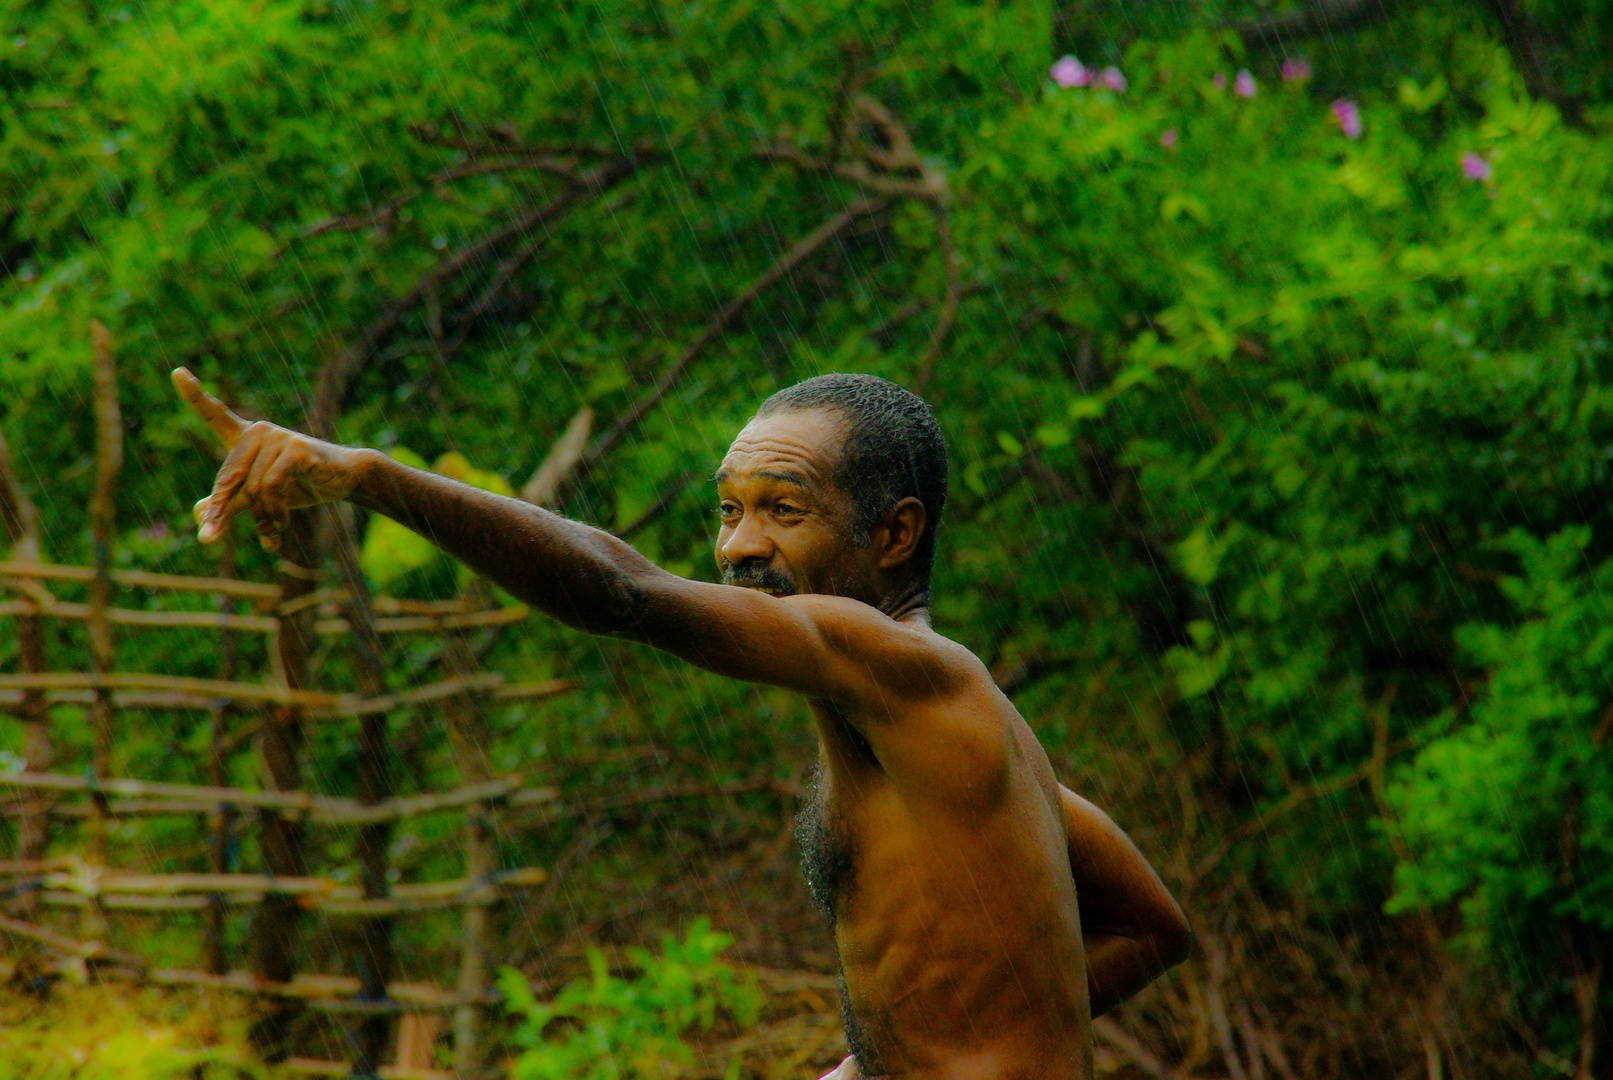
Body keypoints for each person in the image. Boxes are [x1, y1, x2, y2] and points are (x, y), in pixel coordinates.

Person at [174, 368, 1190, 1078]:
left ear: (892, 535)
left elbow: (623, 593)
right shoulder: (962, 744)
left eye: (781, 510)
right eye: (725, 511)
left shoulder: (900, 664)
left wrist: (366, 475)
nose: (741, 546)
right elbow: (1152, 926)